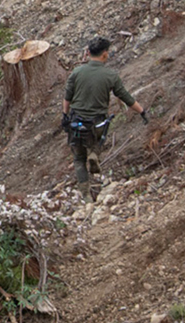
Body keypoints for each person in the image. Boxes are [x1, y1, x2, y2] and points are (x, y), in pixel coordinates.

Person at [62, 36, 147, 202]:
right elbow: (126, 97)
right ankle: (94, 154)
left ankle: (86, 196)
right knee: (97, 140)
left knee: (79, 159)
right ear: (105, 54)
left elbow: (67, 97)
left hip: (75, 121)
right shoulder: (110, 75)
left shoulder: (77, 72)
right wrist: (142, 111)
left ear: (88, 53)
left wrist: (65, 115)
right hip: (96, 122)